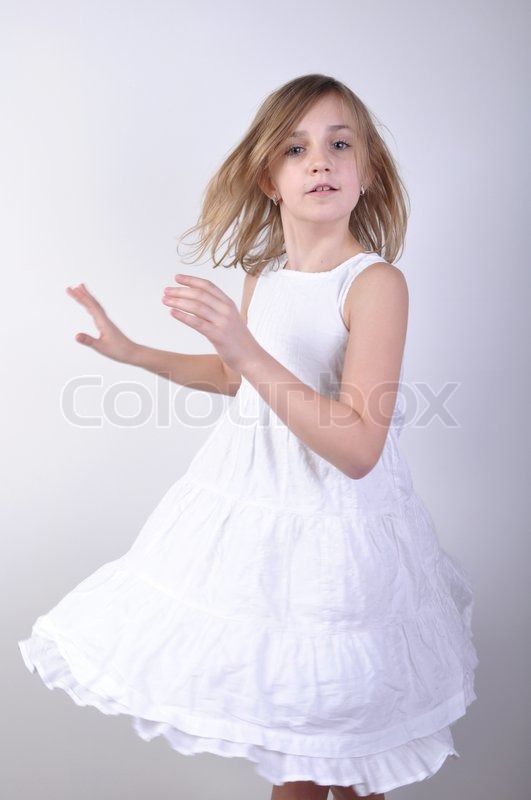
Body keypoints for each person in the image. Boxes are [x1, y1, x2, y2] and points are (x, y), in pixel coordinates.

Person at [17, 74, 478, 799]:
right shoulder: (263, 279)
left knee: (353, 764)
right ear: (269, 177)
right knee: (291, 760)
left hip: (336, 548)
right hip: (266, 543)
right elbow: (244, 382)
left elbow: (358, 447)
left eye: (338, 144)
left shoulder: (373, 284)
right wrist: (136, 353)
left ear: (368, 173)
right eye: (296, 149)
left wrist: (244, 346)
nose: (319, 161)